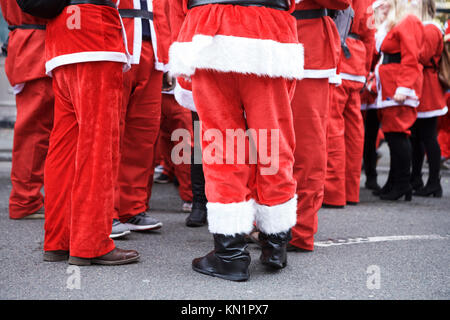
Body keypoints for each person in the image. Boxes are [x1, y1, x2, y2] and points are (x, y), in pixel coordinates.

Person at [169, 0, 304, 281]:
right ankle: (275, 243)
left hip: (210, 29)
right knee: (272, 141)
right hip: (269, 28)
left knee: (222, 145)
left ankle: (230, 254)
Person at [43, 0, 139, 265]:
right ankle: (90, 244)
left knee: (64, 148)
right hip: (95, 35)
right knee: (99, 147)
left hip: (61, 39)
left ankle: (58, 240)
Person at [287, 0, 351, 252]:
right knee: (265, 143)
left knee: (307, 148)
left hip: (309, 51)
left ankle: (298, 230)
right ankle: (268, 223)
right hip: (264, 43)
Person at [111, 0, 171, 238]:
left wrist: (167, 61)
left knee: (143, 137)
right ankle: (107, 211)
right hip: (118, 44)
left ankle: (132, 208)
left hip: (152, 50)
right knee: (111, 135)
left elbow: (166, 14)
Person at [0, 0, 53, 220]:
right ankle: (25, 200)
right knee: (35, 130)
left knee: (35, 129)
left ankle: (26, 198)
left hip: (29, 42)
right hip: (36, 44)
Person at [323, 0, 375, 208]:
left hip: (339, 54)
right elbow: (370, 35)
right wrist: (366, 68)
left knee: (333, 127)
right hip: (358, 60)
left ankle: (334, 192)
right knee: (354, 131)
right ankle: (351, 191)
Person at [374, 0, 424, 201]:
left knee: (397, 135)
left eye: (386, 3)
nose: (382, 7)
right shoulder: (394, 24)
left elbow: (411, 57)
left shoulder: (408, 21)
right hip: (390, 86)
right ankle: (395, 182)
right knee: (393, 134)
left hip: (398, 87)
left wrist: (404, 87)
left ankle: (403, 183)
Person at [410, 0, 447, 197]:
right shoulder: (427, 27)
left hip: (428, 87)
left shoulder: (431, 28)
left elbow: (422, 56)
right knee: (417, 136)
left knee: (427, 136)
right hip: (423, 85)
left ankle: (434, 182)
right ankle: (417, 178)